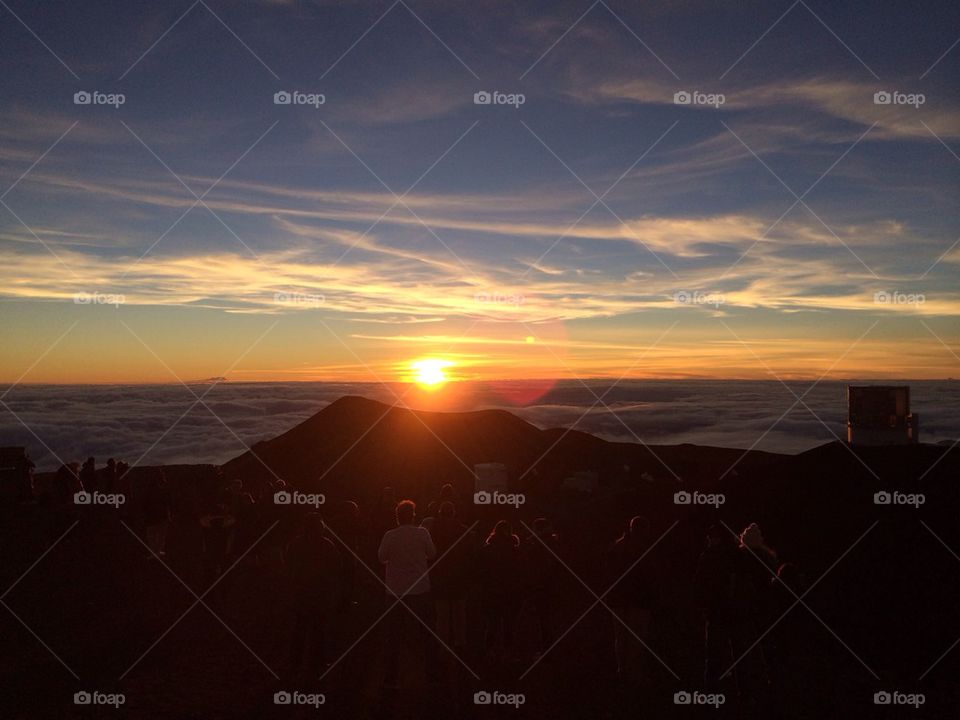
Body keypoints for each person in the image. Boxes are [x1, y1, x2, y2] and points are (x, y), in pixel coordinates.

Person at [378, 499, 438, 687]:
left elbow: (381, 557)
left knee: (394, 631)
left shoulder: (390, 535)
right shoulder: (422, 533)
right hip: (419, 588)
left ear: (397, 516)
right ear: (412, 515)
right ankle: (429, 667)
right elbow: (432, 553)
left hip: (396, 590)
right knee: (424, 629)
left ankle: (392, 671)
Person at [287, 514, 343, 675]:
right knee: (318, 630)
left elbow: (288, 563)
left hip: (301, 592)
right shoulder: (327, 545)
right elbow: (336, 568)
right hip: (320, 593)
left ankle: (295, 662)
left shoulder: (295, 544)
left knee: (300, 628)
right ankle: (316, 662)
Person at [606, 516, 657, 681]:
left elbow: (609, 575)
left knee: (620, 638)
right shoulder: (646, 549)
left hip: (618, 600)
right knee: (637, 637)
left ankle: (622, 671)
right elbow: (650, 577)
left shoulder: (617, 547)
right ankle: (635, 674)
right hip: (639, 600)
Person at [427, 501, 471, 651]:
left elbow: (430, 554)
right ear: (453, 513)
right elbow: (468, 557)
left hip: (440, 577)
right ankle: (460, 641)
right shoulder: (463, 530)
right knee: (459, 613)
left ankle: (443, 642)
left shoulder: (432, 531)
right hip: (458, 577)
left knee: (442, 615)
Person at [520, 518, 560, 657]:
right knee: (549, 619)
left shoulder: (536, 546)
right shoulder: (555, 544)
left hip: (541, 588)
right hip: (553, 588)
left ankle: (546, 649)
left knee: (542, 620)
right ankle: (551, 649)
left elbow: (532, 570)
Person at [481, 520, 520, 658]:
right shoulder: (515, 550)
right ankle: (508, 649)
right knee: (509, 621)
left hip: (492, 590)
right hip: (510, 590)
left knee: (492, 622)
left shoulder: (487, 549)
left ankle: (490, 649)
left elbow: (482, 572)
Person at [143, 470, 171, 558]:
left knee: (153, 534)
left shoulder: (149, 490)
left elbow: (145, 503)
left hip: (152, 515)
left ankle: (154, 551)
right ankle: (157, 551)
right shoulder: (163, 490)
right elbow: (166, 504)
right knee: (160, 534)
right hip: (160, 515)